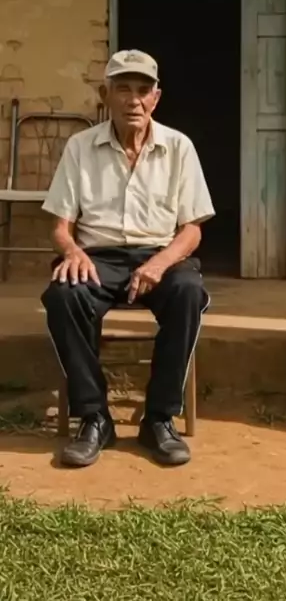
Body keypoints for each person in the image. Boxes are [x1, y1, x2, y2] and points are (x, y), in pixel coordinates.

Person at [41, 49, 215, 468]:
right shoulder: (80, 147)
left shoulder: (179, 147)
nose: (133, 100)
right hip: (97, 256)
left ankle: (158, 419)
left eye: (142, 90)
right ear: (106, 95)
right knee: (64, 295)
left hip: (160, 254)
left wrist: (159, 264)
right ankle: (94, 418)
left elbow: (192, 229)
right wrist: (72, 251)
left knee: (188, 292)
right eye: (123, 89)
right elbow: (60, 226)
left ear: (156, 97)